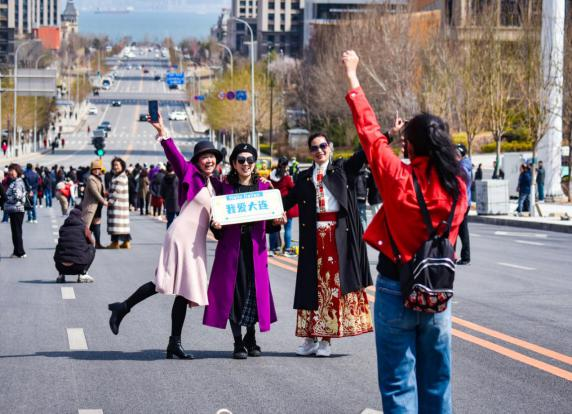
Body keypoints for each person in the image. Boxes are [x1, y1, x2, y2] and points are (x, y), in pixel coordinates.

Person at [343, 50, 467, 413]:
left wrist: (353, 76)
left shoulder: (399, 178)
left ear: (409, 145)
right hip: (437, 292)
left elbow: (369, 134)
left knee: (398, 383)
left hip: (395, 287)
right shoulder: (458, 187)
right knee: (438, 382)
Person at [108, 117, 223, 360]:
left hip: (196, 242)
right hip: (181, 236)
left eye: (212, 156)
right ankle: (123, 308)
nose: (209, 160)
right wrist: (163, 132)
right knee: (164, 282)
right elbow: (174, 155)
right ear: (197, 160)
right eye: (204, 156)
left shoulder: (215, 184)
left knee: (184, 290)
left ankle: (174, 343)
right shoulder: (190, 172)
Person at [281, 132, 373, 358]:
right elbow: (286, 202)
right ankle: (310, 338)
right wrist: (272, 210)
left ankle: (326, 340)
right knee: (311, 287)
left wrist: (387, 135)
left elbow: (362, 155)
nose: (319, 151)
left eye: (323, 146)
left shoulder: (342, 170)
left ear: (330, 147)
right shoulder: (304, 177)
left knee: (330, 288)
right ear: (309, 152)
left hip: (336, 237)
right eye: (314, 148)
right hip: (312, 238)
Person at [205, 143, 278, 360]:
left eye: (250, 160)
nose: (246, 164)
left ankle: (251, 338)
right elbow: (217, 225)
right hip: (231, 252)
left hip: (255, 251)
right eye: (241, 160)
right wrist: (215, 226)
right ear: (234, 164)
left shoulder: (264, 188)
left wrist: (277, 222)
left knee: (253, 294)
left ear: (255, 163)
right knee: (233, 295)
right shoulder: (224, 188)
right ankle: (238, 342)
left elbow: (271, 224)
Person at [54, 205, 96, 283]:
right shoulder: (84, 227)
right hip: (78, 266)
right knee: (92, 248)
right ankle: (83, 274)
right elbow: (92, 242)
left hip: (61, 266)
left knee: (60, 247)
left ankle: (61, 275)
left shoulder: (63, 228)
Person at [269, 156, 298, 256]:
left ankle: (272, 249)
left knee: (273, 227)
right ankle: (287, 249)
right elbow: (293, 188)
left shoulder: (271, 176)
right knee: (288, 228)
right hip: (286, 205)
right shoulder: (286, 178)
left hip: (274, 204)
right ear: (286, 165)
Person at [81, 159, 108, 249]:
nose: (97, 171)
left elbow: (101, 191)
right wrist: (104, 201)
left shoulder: (98, 178)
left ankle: (97, 243)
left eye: (98, 169)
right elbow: (95, 192)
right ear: (91, 169)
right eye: (95, 169)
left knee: (96, 223)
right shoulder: (91, 179)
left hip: (98, 206)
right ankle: (83, 243)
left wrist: (106, 194)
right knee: (87, 225)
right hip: (91, 206)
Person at [107, 157, 132, 249]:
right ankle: (126, 242)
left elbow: (116, 192)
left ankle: (115, 243)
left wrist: (109, 202)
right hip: (120, 205)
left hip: (117, 206)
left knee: (116, 225)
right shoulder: (117, 176)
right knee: (122, 226)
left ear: (122, 166)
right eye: (114, 165)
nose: (115, 167)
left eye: (117, 165)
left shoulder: (121, 177)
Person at [4, 164, 28, 258]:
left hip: (17, 209)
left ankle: (20, 252)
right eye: (9, 171)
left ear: (17, 172)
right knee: (16, 231)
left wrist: (7, 199)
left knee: (17, 231)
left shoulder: (17, 183)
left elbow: (17, 197)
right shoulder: (17, 181)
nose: (10, 173)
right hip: (15, 209)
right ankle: (16, 251)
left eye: (12, 171)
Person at [456, 144, 472, 265]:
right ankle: (457, 256)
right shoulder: (464, 165)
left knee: (460, 230)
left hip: (462, 203)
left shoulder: (462, 168)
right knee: (459, 230)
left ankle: (465, 257)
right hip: (464, 202)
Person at [160, 162, 180, 228]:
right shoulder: (177, 178)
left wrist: (164, 198)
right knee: (180, 220)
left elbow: (162, 191)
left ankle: (169, 233)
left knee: (170, 221)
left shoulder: (164, 178)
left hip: (168, 201)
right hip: (178, 201)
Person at [355, 164, 370, 230]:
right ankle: (364, 231)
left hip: (356, 195)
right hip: (363, 196)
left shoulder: (354, 171)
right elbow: (367, 184)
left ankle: (360, 232)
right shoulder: (366, 172)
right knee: (363, 216)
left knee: (357, 216)